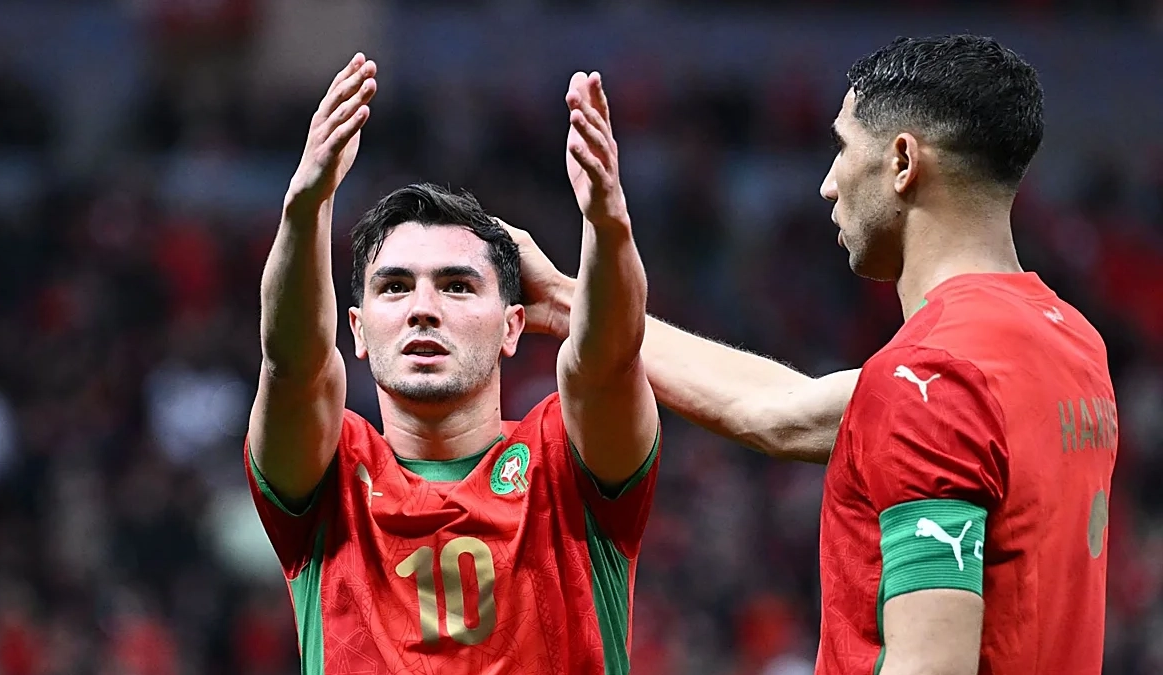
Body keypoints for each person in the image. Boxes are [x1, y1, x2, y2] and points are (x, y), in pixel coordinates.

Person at [512, 35, 1117, 675]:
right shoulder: (1067, 342)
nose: (827, 184)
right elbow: (774, 410)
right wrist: (566, 299)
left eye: (842, 147)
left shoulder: (928, 380)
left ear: (903, 161)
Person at [245, 54, 660, 674]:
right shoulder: (331, 475)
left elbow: (608, 359)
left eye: (458, 286)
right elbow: (291, 364)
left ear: (512, 326)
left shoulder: (565, 462)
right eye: (392, 287)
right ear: (355, 330)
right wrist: (305, 209)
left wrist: (608, 225)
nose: (423, 309)